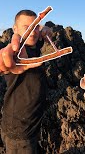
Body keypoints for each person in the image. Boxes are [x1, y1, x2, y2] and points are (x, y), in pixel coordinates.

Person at [0, 9, 52, 153]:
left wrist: (47, 29)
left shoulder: (34, 46)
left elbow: (45, 32)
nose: (32, 31)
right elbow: (5, 56)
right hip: (19, 132)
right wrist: (4, 61)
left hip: (33, 125)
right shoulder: (15, 53)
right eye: (26, 27)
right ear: (14, 29)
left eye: (35, 26)